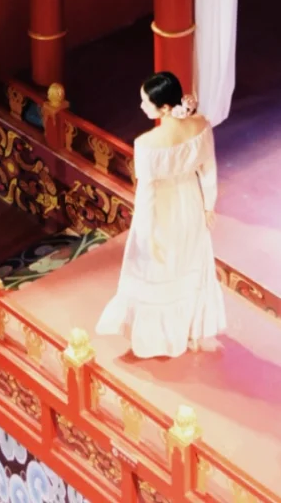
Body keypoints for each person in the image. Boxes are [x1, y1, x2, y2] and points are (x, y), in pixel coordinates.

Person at [96, 71, 226, 358]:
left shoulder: (147, 144)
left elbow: (147, 195)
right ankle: (190, 331)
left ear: (165, 108)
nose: (142, 106)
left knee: (159, 271)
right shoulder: (200, 125)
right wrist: (208, 205)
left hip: (162, 212)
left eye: (146, 101)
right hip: (191, 203)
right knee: (188, 265)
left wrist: (145, 235)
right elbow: (208, 167)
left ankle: (158, 339)